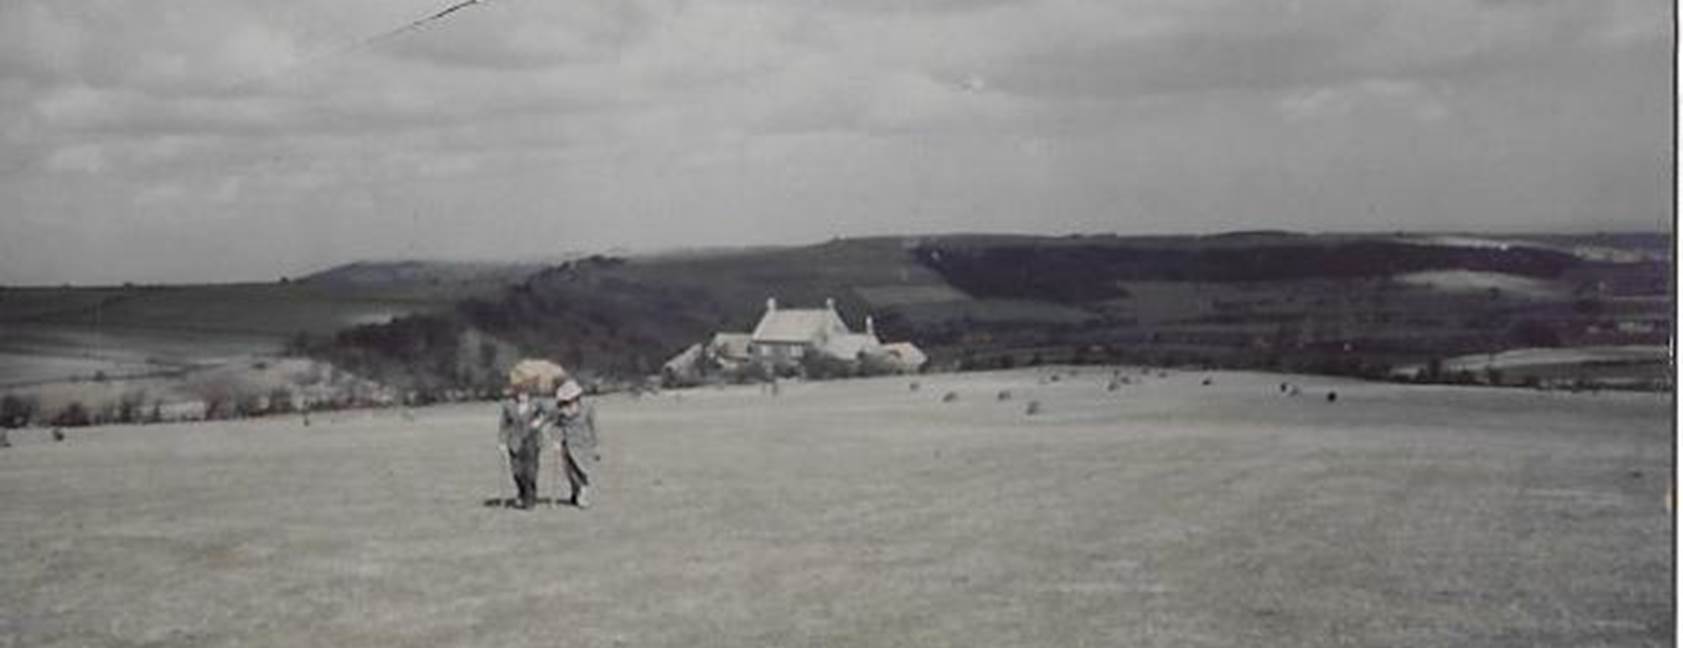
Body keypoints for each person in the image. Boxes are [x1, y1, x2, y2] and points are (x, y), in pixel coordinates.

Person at [498, 384, 550, 510]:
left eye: (525, 394)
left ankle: (530, 499)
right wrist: (502, 443)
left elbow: (550, 414)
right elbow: (503, 425)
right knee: (517, 472)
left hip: (532, 442)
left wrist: (540, 421)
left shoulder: (537, 403)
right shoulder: (509, 406)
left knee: (531, 473)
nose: (523, 397)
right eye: (520, 394)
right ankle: (521, 492)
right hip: (515, 443)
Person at [550, 379, 599, 508]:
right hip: (567, 445)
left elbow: (592, 427)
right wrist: (556, 440)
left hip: (583, 444)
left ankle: (582, 495)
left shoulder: (587, 408)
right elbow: (555, 425)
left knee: (582, 470)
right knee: (570, 472)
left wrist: (596, 445)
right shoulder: (560, 410)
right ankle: (575, 491)